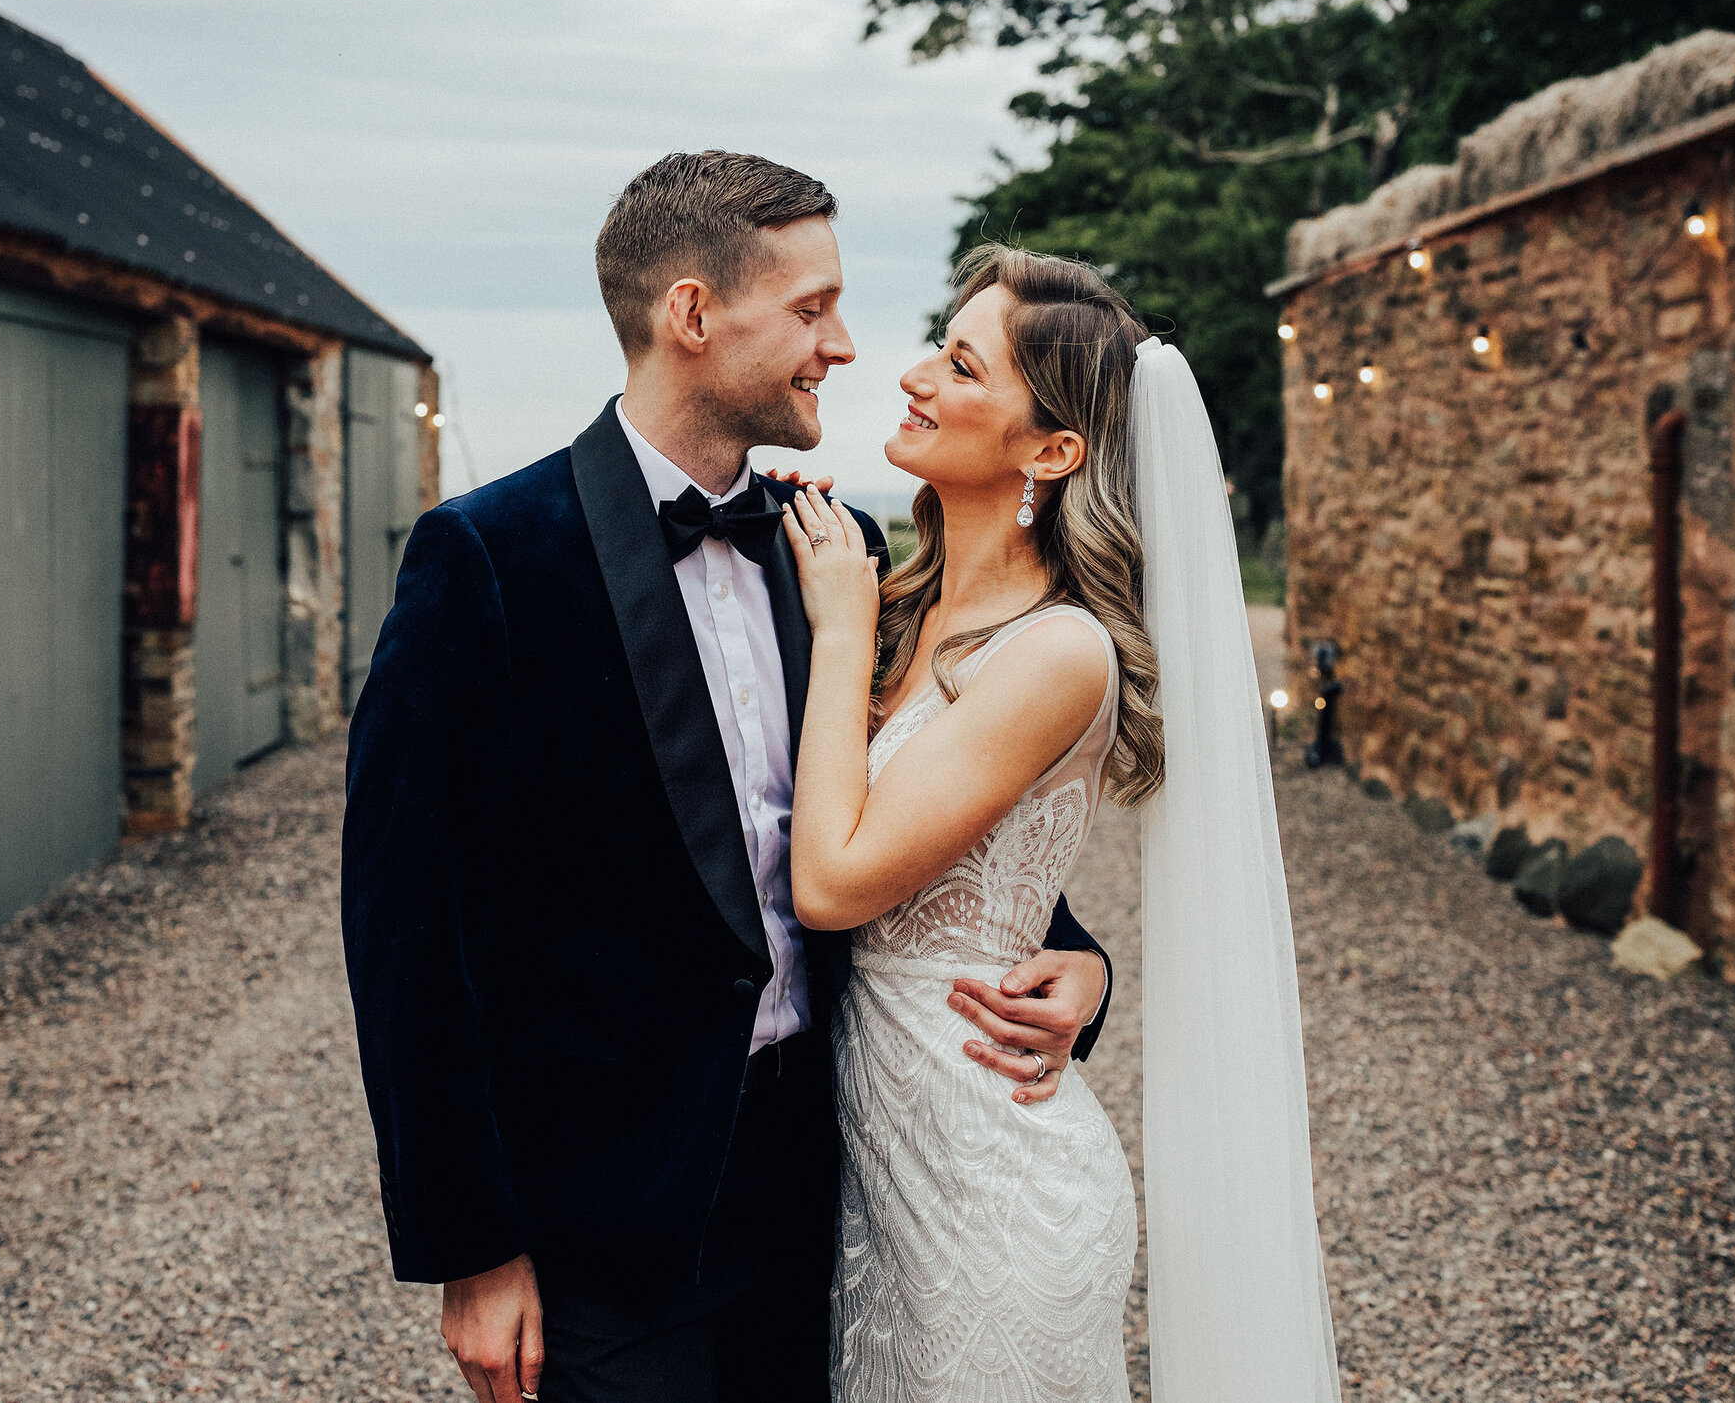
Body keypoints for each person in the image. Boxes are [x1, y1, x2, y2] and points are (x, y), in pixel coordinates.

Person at [339, 153, 1114, 1403]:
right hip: (610, 1215)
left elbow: (929, 811)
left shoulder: (839, 554)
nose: (845, 346)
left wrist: (1076, 956)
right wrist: (471, 1248)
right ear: (693, 316)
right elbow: (404, 928)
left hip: (838, 1187)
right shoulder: (486, 558)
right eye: (811, 309)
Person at [780, 245, 1344, 1402]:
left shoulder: (1058, 652)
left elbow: (836, 885)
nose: (916, 379)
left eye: (961, 366)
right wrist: (1080, 959)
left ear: (1050, 451)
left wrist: (837, 635)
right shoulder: (890, 594)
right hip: (870, 1181)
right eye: (940, 349)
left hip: (991, 1193)